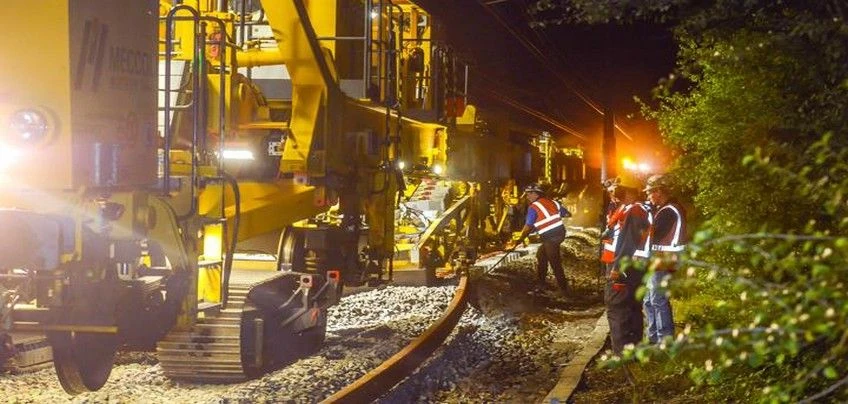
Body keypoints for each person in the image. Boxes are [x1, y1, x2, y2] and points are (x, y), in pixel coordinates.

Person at [605, 181, 651, 354]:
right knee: (631, 307)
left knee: (617, 306)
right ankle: (633, 349)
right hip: (631, 266)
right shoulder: (633, 209)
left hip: (626, 267)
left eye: (618, 192)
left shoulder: (634, 211)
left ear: (629, 193)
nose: (615, 196)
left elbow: (628, 242)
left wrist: (617, 267)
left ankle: (620, 353)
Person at [643, 174, 687, 344]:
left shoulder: (668, 211)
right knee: (649, 299)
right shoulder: (668, 209)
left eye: (650, 193)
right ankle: (653, 337)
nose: (648, 197)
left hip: (664, 260)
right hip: (660, 260)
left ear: (659, 191)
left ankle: (664, 340)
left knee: (657, 299)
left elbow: (652, 235)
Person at [509, 183, 571, 295]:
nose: (527, 197)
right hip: (559, 233)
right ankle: (541, 284)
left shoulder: (533, 207)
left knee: (554, 261)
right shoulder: (553, 202)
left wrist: (520, 238)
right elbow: (567, 214)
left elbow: (528, 226)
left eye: (529, 194)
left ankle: (564, 289)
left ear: (535, 194)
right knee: (541, 255)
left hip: (550, 237)